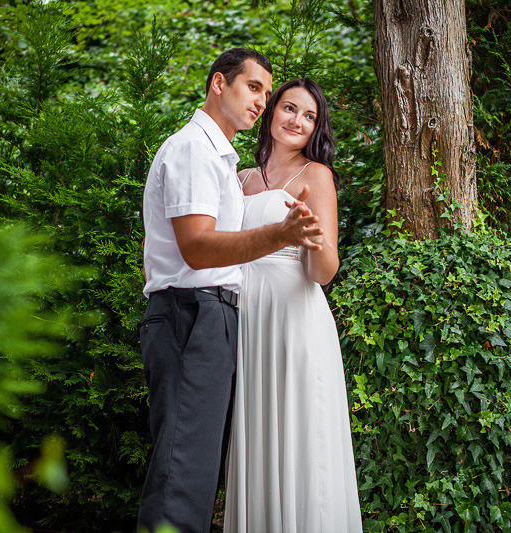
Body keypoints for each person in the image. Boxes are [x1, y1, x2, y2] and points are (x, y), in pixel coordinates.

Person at [138, 50, 324, 533]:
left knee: (194, 471)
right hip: (190, 314)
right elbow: (197, 248)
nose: (262, 100)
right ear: (218, 83)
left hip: (211, 316)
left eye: (267, 90)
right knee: (182, 472)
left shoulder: (221, 158)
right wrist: (280, 236)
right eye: (253, 87)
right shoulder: (194, 151)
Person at [223, 78, 363, 532]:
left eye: (309, 117)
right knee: (259, 434)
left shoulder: (316, 177)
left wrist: (313, 237)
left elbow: (323, 272)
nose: (297, 121)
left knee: (301, 436)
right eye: (289, 108)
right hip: (248, 319)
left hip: (294, 320)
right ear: (270, 112)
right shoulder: (240, 179)